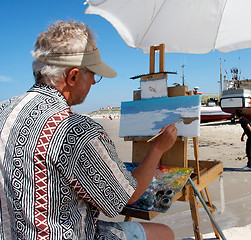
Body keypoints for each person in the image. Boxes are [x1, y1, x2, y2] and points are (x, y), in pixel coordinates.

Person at [0, 20, 177, 240]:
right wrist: (159, 148)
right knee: (164, 233)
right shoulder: (76, 130)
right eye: (93, 74)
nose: (94, 82)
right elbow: (127, 196)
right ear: (73, 76)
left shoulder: (3, 111)